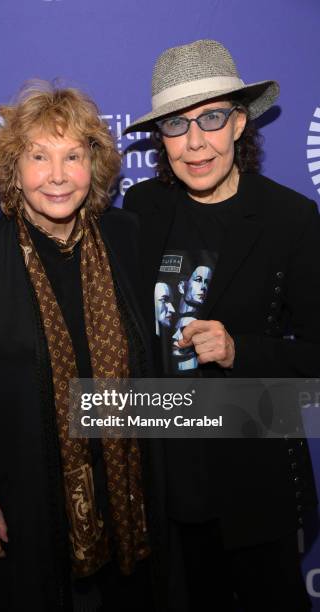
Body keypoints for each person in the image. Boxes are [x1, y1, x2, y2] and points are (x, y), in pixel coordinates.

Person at [0, 81, 157, 612]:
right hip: (27, 501)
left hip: (130, 498)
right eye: (39, 156)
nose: (57, 175)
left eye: (73, 155)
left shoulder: (128, 239)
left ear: (93, 166)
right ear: (14, 169)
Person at [124, 39, 320, 611]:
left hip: (255, 481)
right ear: (161, 139)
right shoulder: (141, 210)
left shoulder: (292, 218)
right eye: (177, 125)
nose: (195, 142)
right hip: (165, 482)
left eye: (211, 118)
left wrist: (242, 352)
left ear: (239, 123)